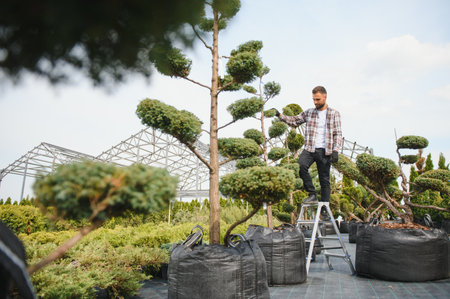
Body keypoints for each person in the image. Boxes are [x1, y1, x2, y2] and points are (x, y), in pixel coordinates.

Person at [272, 86, 342, 209]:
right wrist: (279, 115)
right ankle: (312, 194)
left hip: (326, 151)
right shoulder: (309, 112)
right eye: (313, 99)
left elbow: (338, 133)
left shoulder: (334, 113)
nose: (315, 102)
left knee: (324, 180)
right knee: (301, 165)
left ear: (325, 97)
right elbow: (294, 121)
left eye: (318, 99)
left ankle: (325, 211)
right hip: (310, 148)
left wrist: (336, 150)